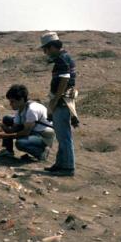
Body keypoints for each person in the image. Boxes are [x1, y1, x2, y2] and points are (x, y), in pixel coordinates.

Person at [40, 31, 78, 176]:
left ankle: (68, 167)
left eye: (45, 49)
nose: (45, 53)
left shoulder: (61, 59)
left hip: (62, 101)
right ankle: (60, 163)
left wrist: (55, 100)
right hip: (63, 100)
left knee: (64, 136)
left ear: (52, 47)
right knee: (62, 135)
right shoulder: (64, 57)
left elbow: (64, 80)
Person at [0, 84, 54, 161]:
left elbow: (25, 133)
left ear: (21, 99)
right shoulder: (21, 108)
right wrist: (2, 126)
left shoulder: (32, 110)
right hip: (33, 130)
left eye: (12, 101)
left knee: (20, 143)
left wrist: (4, 135)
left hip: (43, 135)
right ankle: (8, 151)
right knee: (7, 119)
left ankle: (41, 153)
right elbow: (14, 129)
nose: (10, 104)